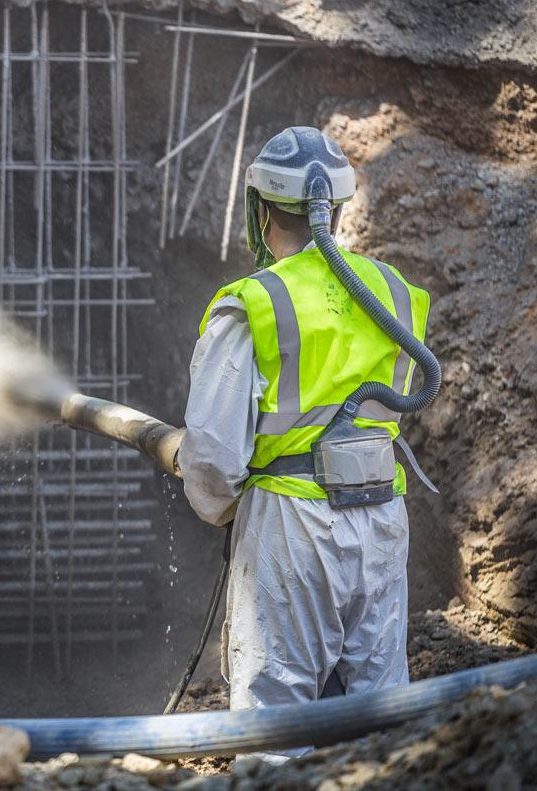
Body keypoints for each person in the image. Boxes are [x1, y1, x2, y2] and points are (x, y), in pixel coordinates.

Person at [178, 126, 431, 763]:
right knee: (378, 711)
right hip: (379, 518)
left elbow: (210, 456)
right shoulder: (393, 293)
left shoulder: (255, 304)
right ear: (336, 210)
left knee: (274, 720)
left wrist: (218, 506)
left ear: (262, 212)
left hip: (293, 525)